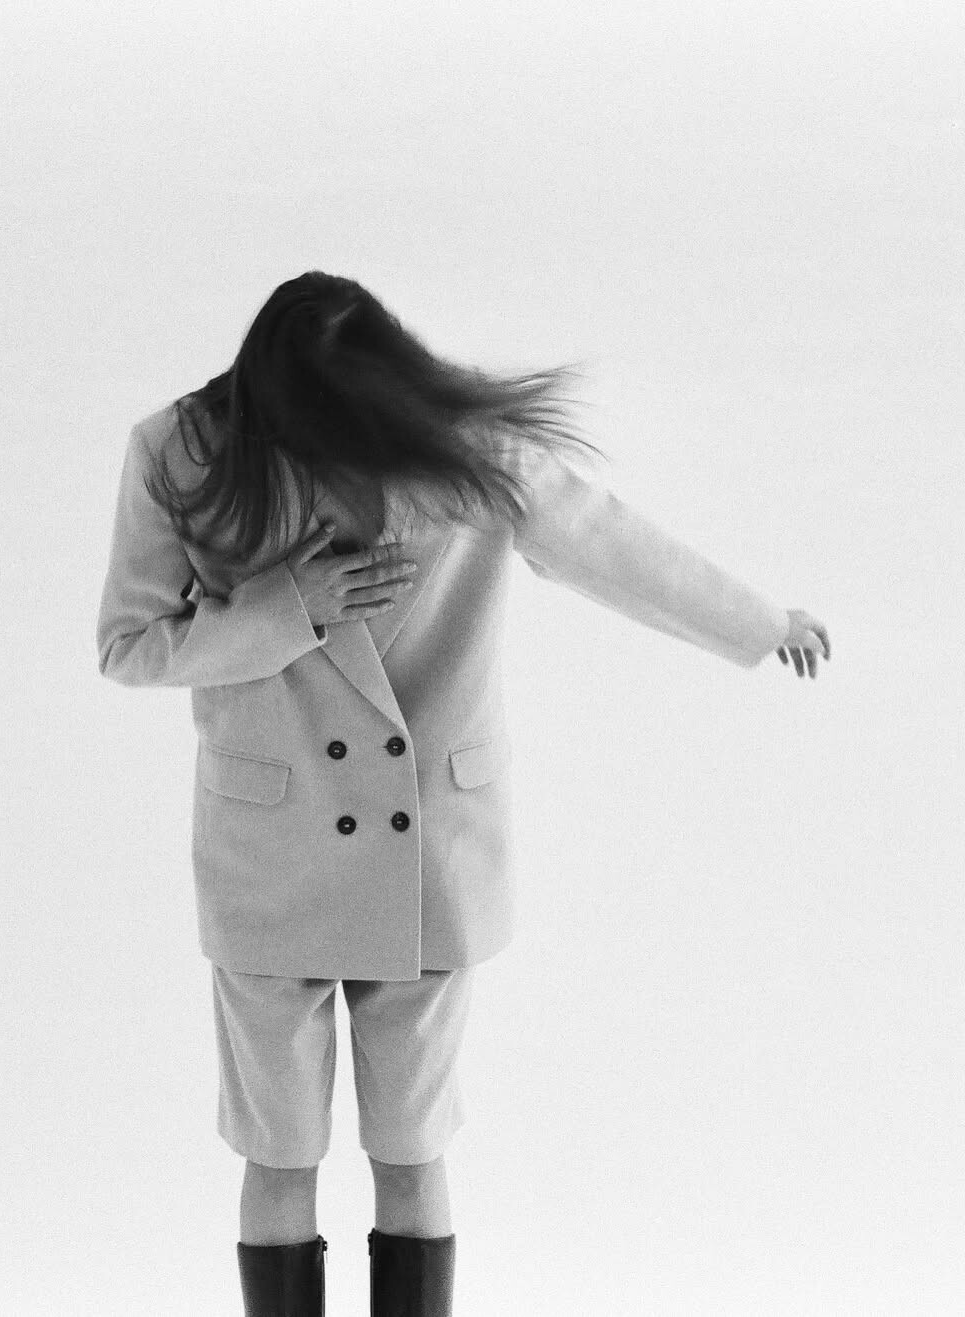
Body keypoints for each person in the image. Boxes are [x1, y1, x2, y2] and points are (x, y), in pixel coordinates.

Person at [95, 270, 830, 1316]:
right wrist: (288, 605)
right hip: (271, 857)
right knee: (279, 1153)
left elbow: (608, 543)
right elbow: (128, 645)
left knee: (412, 1147)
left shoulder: (462, 447)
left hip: (428, 849)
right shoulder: (180, 451)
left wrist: (760, 623)